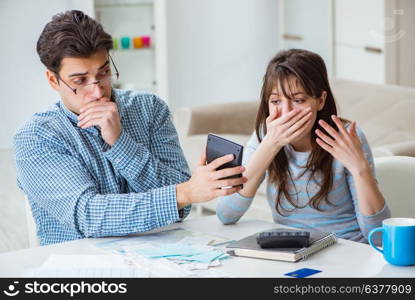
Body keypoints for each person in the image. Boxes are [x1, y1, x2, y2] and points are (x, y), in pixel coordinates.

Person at [13, 10, 246, 245]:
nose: (97, 91)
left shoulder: (150, 109)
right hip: (82, 268)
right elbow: (89, 217)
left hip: (165, 256)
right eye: (80, 81)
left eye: (103, 72)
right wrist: (183, 193)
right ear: (53, 80)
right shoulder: (36, 137)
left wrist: (119, 141)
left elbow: (182, 210)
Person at [216, 49, 390, 244]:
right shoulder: (267, 135)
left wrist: (361, 171)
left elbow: (380, 237)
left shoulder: (347, 137)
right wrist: (269, 147)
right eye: (275, 101)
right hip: (291, 250)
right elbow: (226, 214)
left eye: (298, 100)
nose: (286, 113)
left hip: (346, 250)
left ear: (320, 100)